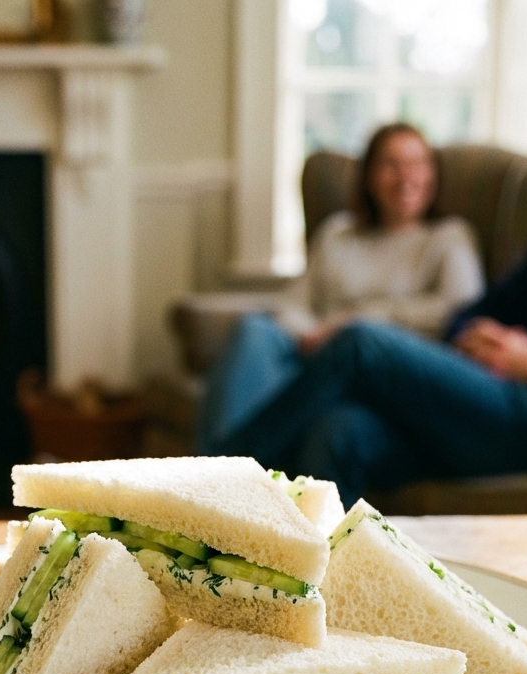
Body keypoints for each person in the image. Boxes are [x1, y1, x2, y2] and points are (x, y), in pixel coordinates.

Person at [203, 74, 527, 509]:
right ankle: (305, 595)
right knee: (339, 432)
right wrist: (473, 336)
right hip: (483, 398)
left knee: (360, 342)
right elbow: (478, 309)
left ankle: (208, 490)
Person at [199, 123, 484, 452]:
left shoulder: (449, 237)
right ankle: (216, 474)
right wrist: (311, 335)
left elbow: (460, 311)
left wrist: (354, 321)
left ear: (433, 174)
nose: (406, 177)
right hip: (311, 355)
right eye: (391, 164)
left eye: (418, 163)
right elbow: (292, 304)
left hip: (373, 368)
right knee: (254, 330)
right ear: (368, 175)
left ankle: (221, 476)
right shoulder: (337, 232)